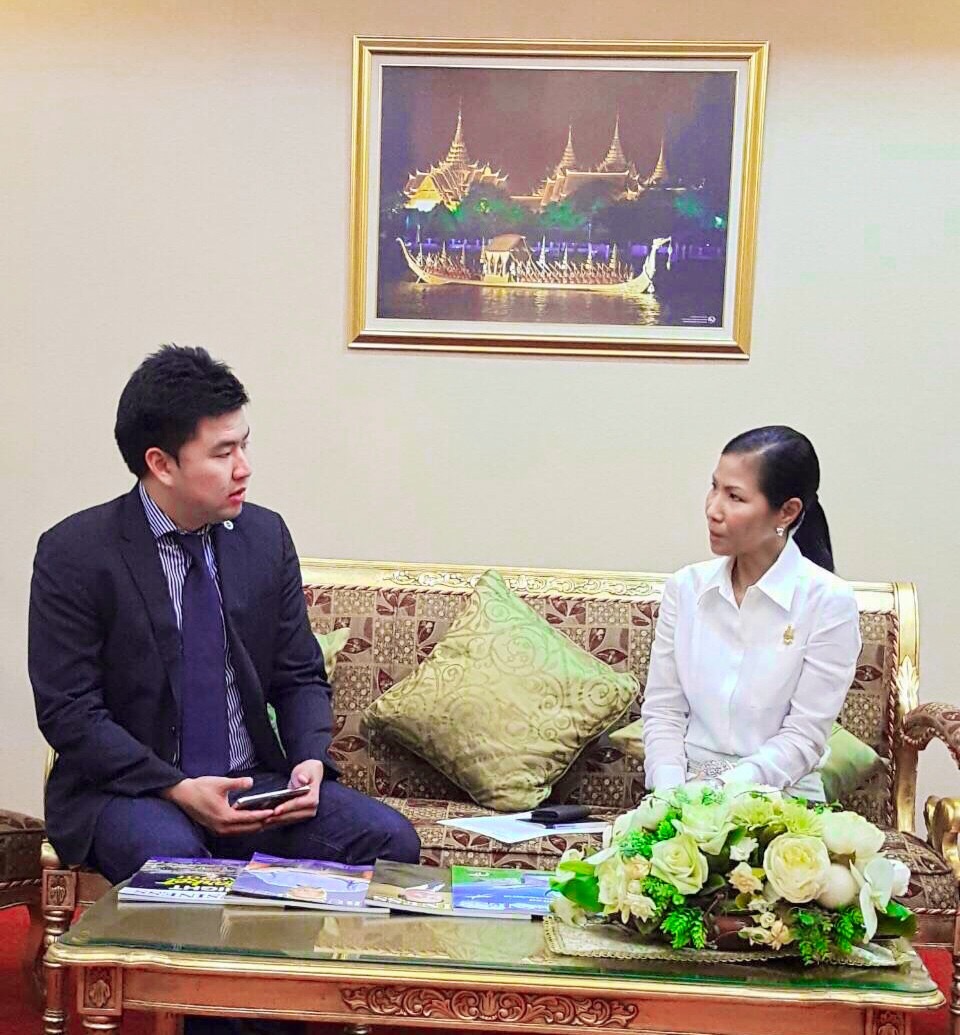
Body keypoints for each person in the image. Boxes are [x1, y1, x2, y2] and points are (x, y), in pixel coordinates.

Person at [30, 344, 420, 883]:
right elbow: (70, 711)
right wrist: (176, 787)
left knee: (391, 841)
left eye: (244, 445)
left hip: (250, 785)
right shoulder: (76, 552)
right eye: (222, 453)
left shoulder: (264, 537)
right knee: (179, 866)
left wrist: (309, 759)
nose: (244, 468)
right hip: (132, 792)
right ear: (161, 464)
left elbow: (299, 674)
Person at [640, 426, 862, 800]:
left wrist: (718, 794)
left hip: (780, 798)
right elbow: (663, 711)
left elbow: (803, 737)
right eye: (714, 488)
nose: (713, 510)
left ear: (787, 511)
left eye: (735, 497)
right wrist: (669, 795)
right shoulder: (686, 587)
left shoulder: (829, 602)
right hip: (682, 793)